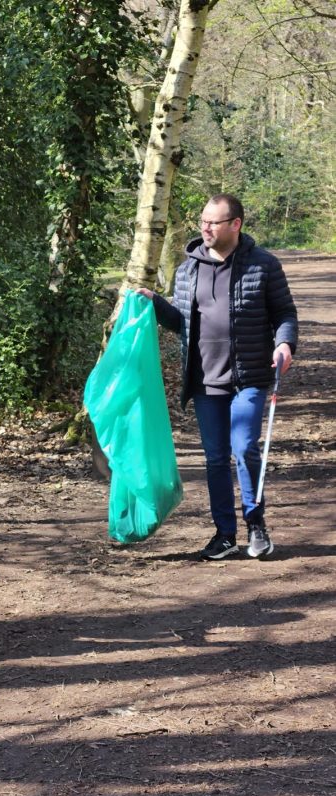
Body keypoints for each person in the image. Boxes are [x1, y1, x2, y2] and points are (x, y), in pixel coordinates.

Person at [139, 193, 298, 561]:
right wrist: (155, 303)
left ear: (235, 224)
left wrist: (285, 343)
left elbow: (285, 313)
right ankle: (225, 534)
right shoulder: (187, 270)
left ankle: (255, 524)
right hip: (205, 380)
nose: (206, 228)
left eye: (214, 222)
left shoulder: (263, 265)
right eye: (203, 221)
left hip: (249, 376)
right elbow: (181, 323)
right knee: (214, 458)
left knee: (244, 448)